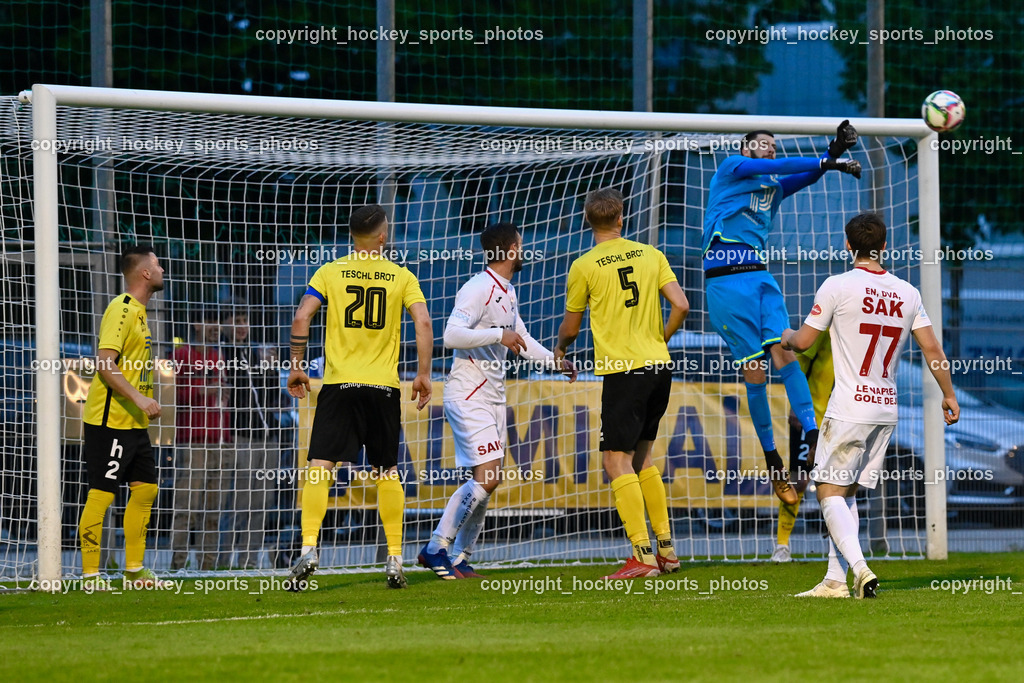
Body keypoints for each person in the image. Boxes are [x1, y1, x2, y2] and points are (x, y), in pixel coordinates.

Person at [782, 212, 960, 598]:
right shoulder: (907, 292)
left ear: (848, 246)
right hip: (885, 409)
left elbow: (805, 341)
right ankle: (833, 580)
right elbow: (932, 348)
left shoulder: (837, 285)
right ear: (884, 245)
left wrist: (785, 337)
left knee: (827, 491)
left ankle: (860, 570)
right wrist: (948, 393)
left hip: (848, 407)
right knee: (847, 494)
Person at [702, 122, 861, 504]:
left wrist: (833, 154)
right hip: (725, 283)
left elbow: (805, 174)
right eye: (763, 144)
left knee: (785, 351)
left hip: (759, 277)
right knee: (754, 371)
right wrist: (828, 158)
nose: (770, 149)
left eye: (774, 145)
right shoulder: (732, 167)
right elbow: (795, 166)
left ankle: (810, 434)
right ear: (746, 147)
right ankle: (774, 461)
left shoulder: (772, 185)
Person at [418, 222, 577, 580]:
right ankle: (435, 548)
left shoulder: (507, 290)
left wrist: (555, 361)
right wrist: (497, 334)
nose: (523, 251)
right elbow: (451, 335)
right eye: (520, 245)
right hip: (468, 394)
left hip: (492, 398)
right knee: (488, 477)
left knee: (490, 478)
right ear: (508, 250)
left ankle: (460, 556)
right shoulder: (478, 288)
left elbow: (520, 337)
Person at [286, 204, 433, 590]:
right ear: (382, 236)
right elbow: (423, 321)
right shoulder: (401, 276)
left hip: (339, 386)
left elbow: (302, 317)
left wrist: (297, 366)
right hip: (382, 387)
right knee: (386, 470)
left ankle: (308, 548)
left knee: (320, 464)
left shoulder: (330, 271)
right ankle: (395, 557)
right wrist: (421, 375)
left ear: (353, 236)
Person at [555, 188, 690, 579]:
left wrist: (560, 348)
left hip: (623, 370)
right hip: (659, 367)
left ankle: (642, 556)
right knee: (642, 459)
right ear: (620, 219)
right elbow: (681, 304)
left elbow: (572, 326)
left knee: (615, 461)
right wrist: (661, 339)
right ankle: (666, 551)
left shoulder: (584, 265)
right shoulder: (651, 254)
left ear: (588, 221)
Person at [78, 245, 167, 590]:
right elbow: (104, 362)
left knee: (146, 490)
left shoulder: (142, 312)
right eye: (157, 265)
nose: (162, 270)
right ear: (144, 273)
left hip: (133, 422)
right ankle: (89, 576)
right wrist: (140, 398)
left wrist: (142, 404)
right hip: (109, 419)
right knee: (102, 494)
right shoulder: (122, 308)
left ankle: (133, 571)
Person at [170, 306, 231, 571]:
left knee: (213, 512)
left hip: (220, 440)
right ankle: (177, 566)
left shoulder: (220, 356)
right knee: (187, 509)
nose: (214, 326)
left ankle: (207, 568)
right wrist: (207, 389)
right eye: (208, 321)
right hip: (193, 441)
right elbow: (175, 396)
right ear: (196, 324)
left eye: (217, 321)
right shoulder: (182, 354)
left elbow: (225, 397)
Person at [221, 305, 280, 569]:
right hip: (241, 436)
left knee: (262, 504)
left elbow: (271, 398)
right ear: (225, 325)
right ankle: (222, 560)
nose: (242, 326)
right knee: (239, 503)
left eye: (245, 320)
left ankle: (249, 560)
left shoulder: (258, 353)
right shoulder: (222, 354)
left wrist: (270, 370)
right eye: (237, 320)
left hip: (267, 438)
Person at [771, 332, 833, 563]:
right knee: (798, 481)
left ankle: (839, 542)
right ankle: (782, 545)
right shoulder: (822, 331)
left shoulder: (858, 327)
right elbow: (797, 368)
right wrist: (797, 407)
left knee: (840, 480)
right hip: (812, 420)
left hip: (844, 417)